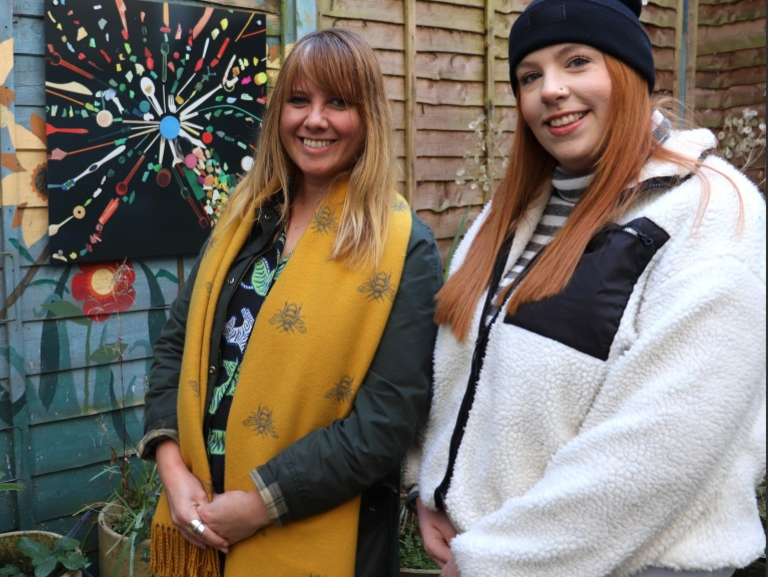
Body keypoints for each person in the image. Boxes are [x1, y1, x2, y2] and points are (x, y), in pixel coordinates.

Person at [404, 0, 767, 576]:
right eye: (530, 75)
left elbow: (664, 445)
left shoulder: (709, 209)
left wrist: (498, 563)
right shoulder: (510, 213)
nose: (550, 89)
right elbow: (456, 369)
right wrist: (432, 491)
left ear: (630, 75)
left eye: (576, 62)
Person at [140, 28, 444, 577]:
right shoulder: (243, 220)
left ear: (369, 115)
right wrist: (172, 469)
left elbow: (386, 423)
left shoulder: (404, 246)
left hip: (318, 534)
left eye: (339, 103)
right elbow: (175, 348)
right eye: (299, 100)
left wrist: (258, 505)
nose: (315, 120)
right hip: (196, 515)